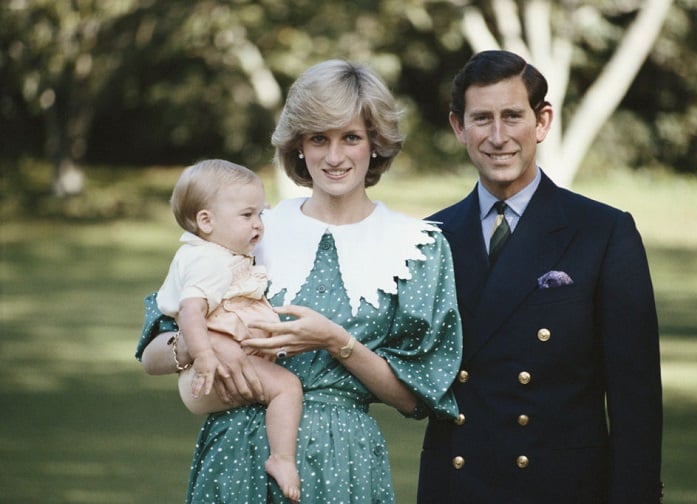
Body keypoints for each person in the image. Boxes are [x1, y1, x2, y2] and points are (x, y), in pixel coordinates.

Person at [136, 60, 463, 503]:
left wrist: (336, 341)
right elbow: (152, 355)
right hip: (234, 454)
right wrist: (202, 345)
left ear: (375, 144)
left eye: (350, 137)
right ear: (299, 146)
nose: (334, 156)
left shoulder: (416, 248)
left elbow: (414, 400)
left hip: (342, 460)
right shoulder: (251, 230)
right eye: (318, 138)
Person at [418, 50, 663, 503]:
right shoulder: (430, 238)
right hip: (457, 486)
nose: (497, 137)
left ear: (542, 121)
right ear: (458, 127)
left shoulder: (603, 232)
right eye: (481, 119)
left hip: (560, 487)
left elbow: (636, 395)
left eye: (513, 116)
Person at [155, 159, 302, 502]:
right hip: (209, 373)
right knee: (287, 386)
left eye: (261, 215)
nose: (258, 225)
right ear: (206, 221)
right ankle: (281, 459)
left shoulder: (212, 255)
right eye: (248, 215)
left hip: (211, 373)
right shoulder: (209, 261)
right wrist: (205, 354)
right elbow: (192, 310)